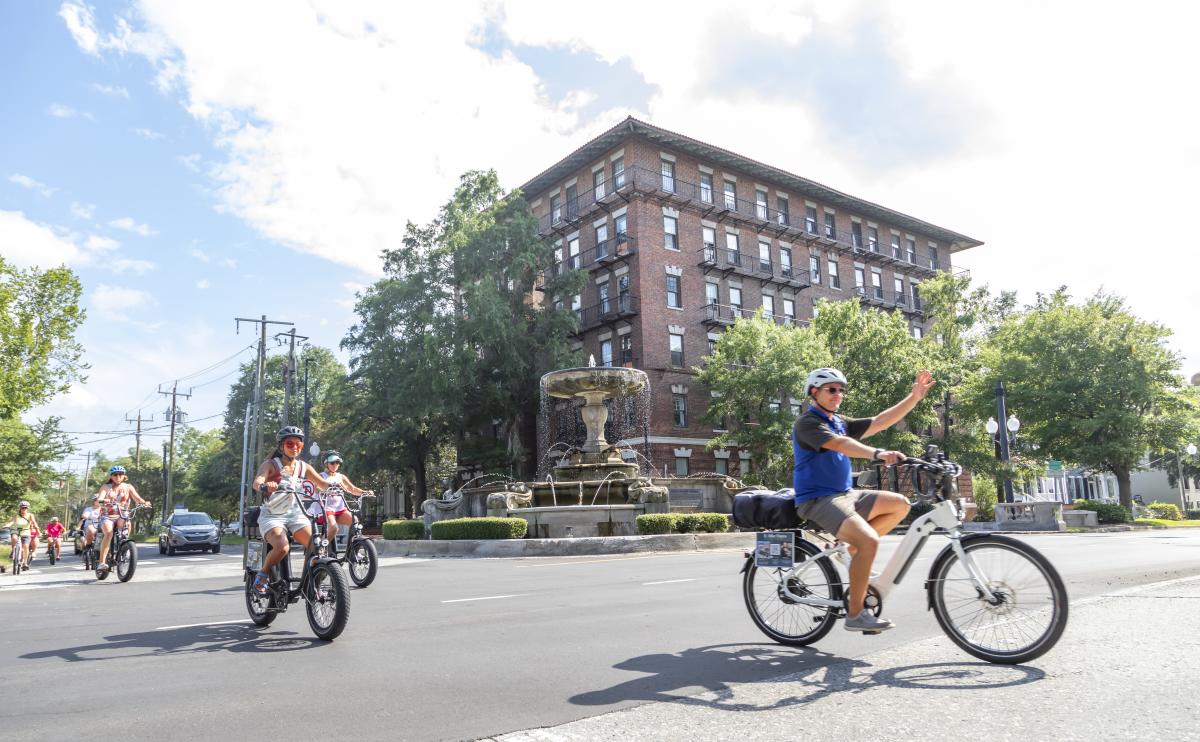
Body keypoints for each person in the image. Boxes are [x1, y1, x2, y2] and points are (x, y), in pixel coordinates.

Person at [792, 367, 935, 633]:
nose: (838, 394)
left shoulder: (839, 421)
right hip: (818, 499)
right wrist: (878, 453)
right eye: (831, 390)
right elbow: (841, 445)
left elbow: (880, 421)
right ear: (814, 392)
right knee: (868, 540)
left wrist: (914, 397)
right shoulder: (808, 423)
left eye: (841, 390)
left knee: (900, 504)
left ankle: (849, 547)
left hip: (847, 494)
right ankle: (856, 614)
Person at [249, 426, 331, 594]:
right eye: (290, 444)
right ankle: (263, 574)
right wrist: (265, 485)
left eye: (298, 445)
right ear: (281, 446)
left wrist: (339, 486)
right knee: (282, 546)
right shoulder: (271, 464)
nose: (294, 447)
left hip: (296, 514)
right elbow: (257, 482)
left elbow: (323, 485)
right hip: (272, 515)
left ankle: (311, 579)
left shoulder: (304, 467)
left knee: (317, 546)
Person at [307, 451, 371, 548]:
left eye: (337, 463)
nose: (335, 465)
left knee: (355, 522)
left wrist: (365, 492)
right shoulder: (321, 476)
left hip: (340, 509)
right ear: (326, 463)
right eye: (332, 463)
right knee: (333, 528)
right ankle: (320, 549)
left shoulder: (341, 477)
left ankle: (353, 551)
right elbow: (317, 489)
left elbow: (352, 489)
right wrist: (328, 489)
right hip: (325, 509)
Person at [95, 465, 151, 577]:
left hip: (122, 514)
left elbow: (137, 499)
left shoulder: (128, 487)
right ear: (111, 476)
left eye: (120, 474)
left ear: (124, 476)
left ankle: (123, 546)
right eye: (115, 475)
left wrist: (144, 503)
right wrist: (102, 501)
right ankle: (102, 562)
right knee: (109, 533)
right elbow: (99, 500)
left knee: (126, 522)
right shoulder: (106, 487)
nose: (118, 476)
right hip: (107, 516)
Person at [3, 501, 39, 570]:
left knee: (25, 546)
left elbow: (34, 522)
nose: (24, 509)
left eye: (25, 508)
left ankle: (25, 563)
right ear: (20, 508)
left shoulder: (30, 515)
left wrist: (37, 528)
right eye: (22, 507)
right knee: (14, 538)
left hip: (26, 531)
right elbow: (12, 522)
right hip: (16, 530)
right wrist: (6, 525)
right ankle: (13, 551)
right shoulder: (16, 515)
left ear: (27, 508)